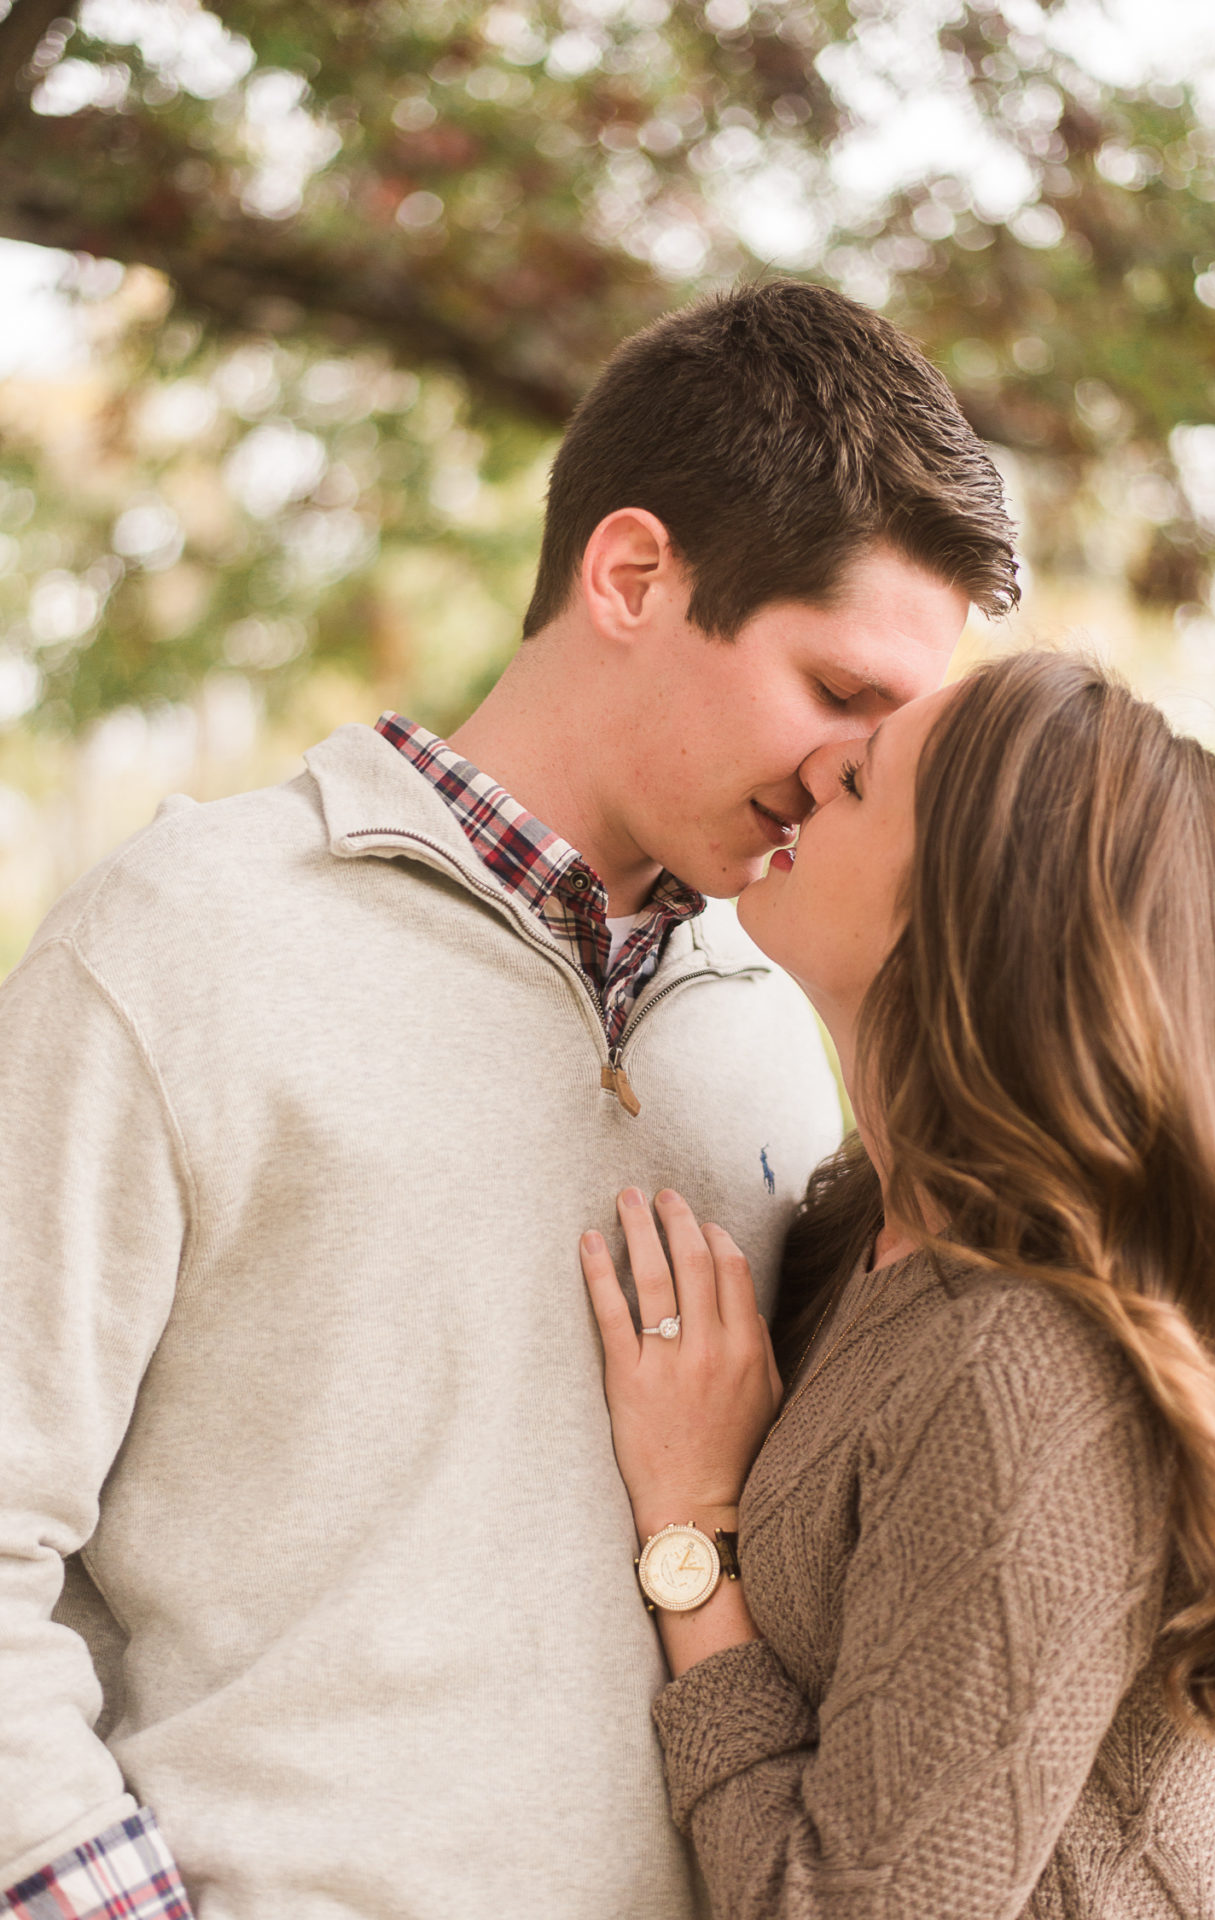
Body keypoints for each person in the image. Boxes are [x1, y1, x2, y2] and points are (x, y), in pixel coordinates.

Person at [0, 281, 1014, 1919]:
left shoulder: (780, 1026)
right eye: (838, 694)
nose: (851, 774)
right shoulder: (181, 940)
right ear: (633, 576)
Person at [577, 649, 1215, 1917]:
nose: (815, 769)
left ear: (963, 904)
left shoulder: (1019, 1368)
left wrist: (693, 1525)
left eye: (865, 772)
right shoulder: (857, 1228)